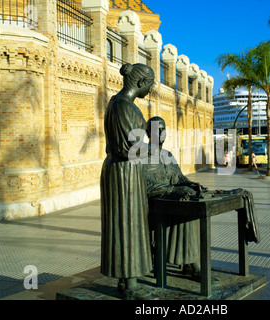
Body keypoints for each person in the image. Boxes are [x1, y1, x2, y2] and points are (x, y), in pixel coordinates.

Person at [100, 63, 155, 299]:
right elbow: (129, 148)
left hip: (124, 171)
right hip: (123, 172)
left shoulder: (120, 104)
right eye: (150, 85)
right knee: (127, 224)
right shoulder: (123, 107)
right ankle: (129, 284)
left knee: (128, 223)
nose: (150, 91)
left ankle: (128, 279)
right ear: (141, 83)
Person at [142, 116, 202, 280]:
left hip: (171, 201)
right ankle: (193, 264)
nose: (161, 133)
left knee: (194, 203)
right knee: (184, 211)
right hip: (153, 206)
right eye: (156, 129)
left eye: (163, 129)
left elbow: (179, 179)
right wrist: (172, 191)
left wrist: (193, 185)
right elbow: (147, 187)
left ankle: (190, 261)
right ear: (148, 133)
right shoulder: (142, 156)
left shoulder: (167, 155)